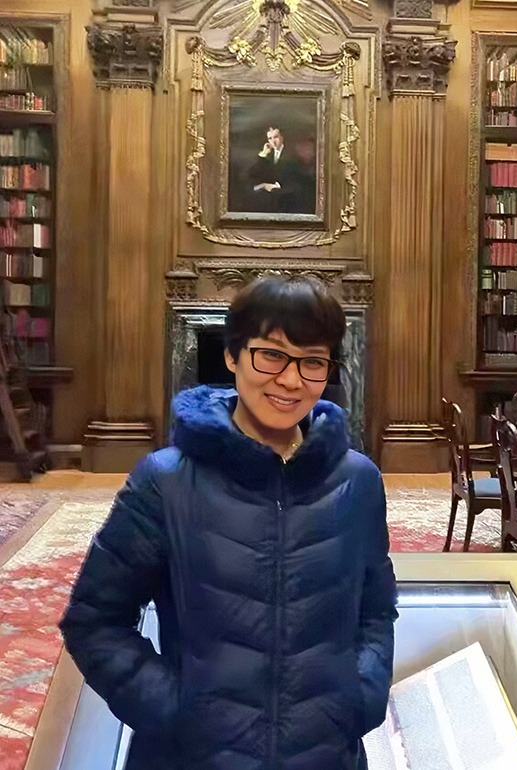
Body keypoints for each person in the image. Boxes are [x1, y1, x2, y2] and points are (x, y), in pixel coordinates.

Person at [59, 276, 398, 770]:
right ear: (232, 356)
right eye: (271, 355)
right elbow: (95, 620)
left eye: (312, 361)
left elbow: (376, 610)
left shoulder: (358, 482)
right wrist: (175, 713)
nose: (290, 380)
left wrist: (359, 699)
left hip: (325, 755)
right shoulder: (165, 481)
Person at [247, 127, 314, 214]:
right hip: (272, 201)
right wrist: (263, 154)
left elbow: (299, 182)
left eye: (276, 137)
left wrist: (277, 187)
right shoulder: (268, 155)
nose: (273, 141)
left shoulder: (292, 155)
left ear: (282, 138)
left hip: (289, 201)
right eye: (270, 138)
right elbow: (252, 174)